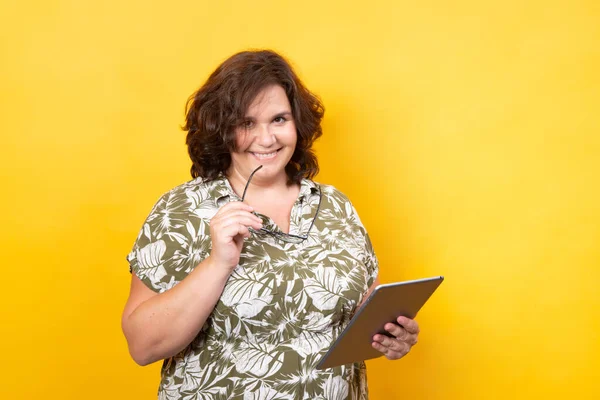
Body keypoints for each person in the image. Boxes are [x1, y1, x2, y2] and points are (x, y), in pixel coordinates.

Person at [121, 49, 420, 400]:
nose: (266, 139)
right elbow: (142, 346)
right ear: (222, 130)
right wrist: (218, 264)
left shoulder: (336, 206)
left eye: (279, 119)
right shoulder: (182, 210)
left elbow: (362, 313)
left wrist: (392, 336)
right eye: (247, 123)